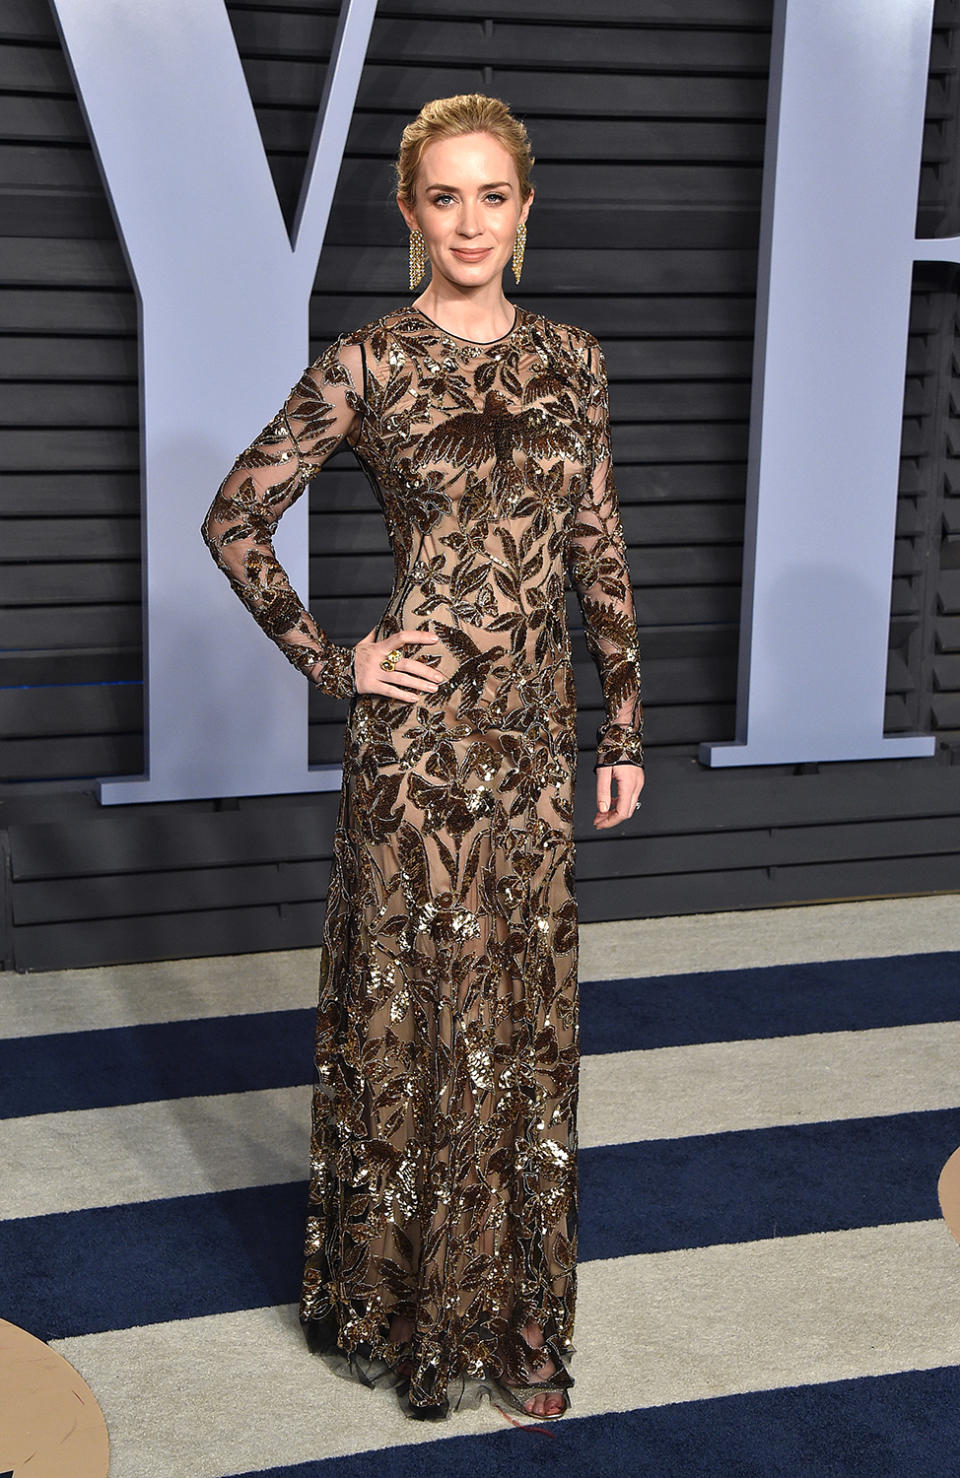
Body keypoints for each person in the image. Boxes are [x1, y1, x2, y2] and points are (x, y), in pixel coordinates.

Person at [200, 93, 645, 1422]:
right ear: (408, 214)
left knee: (523, 1020)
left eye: (492, 195)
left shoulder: (574, 359)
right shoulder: (369, 361)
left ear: (523, 209)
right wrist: (340, 662)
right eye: (443, 197)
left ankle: (518, 1319)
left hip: (531, 742)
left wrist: (623, 716)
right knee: (412, 1019)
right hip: (414, 755)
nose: (469, 220)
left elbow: (597, 545)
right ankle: (409, 1313)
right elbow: (236, 517)